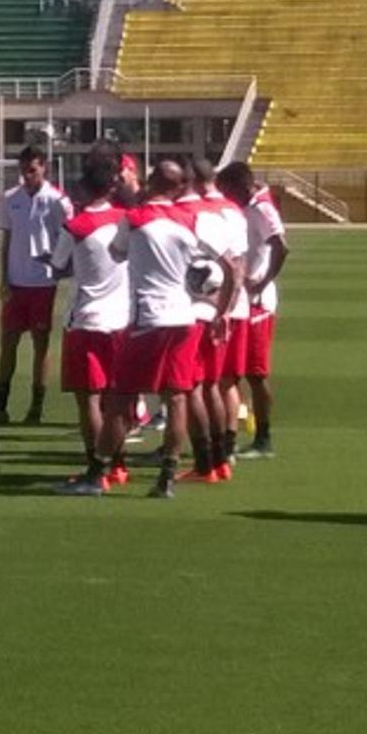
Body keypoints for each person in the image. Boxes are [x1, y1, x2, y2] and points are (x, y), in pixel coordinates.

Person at [113, 154, 209, 498]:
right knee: (177, 397)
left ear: (152, 181)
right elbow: (205, 269)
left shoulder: (135, 217)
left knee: (122, 397)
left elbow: (116, 253)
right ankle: (167, 477)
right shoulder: (189, 219)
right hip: (182, 316)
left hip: (148, 317)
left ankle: (101, 468)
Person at [47, 154, 135, 494]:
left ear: (85, 187)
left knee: (90, 402)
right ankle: (120, 464)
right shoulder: (127, 218)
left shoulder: (77, 226)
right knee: (117, 399)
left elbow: (58, 266)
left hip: (86, 319)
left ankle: (94, 469)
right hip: (123, 319)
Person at [0, 143, 69, 426]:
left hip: (43, 283)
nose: (28, 175)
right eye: (24, 170)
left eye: (33, 170)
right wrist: (4, 277)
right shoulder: (10, 197)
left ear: (44, 167)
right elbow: (7, 240)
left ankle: (36, 406)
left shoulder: (56, 200)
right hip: (16, 282)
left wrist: (59, 266)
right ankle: (0, 402)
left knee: (40, 346)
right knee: (8, 343)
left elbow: (68, 237)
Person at [188, 164, 254, 482]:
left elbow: (231, 265)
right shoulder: (234, 211)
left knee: (201, 384)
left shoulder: (199, 212)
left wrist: (221, 310)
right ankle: (227, 451)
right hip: (233, 306)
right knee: (225, 382)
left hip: (209, 308)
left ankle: (210, 457)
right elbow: (239, 263)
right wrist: (231, 308)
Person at [220, 160, 288, 458]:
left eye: (230, 190)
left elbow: (281, 245)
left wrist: (261, 283)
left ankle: (264, 438)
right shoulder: (249, 206)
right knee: (233, 371)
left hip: (258, 303)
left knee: (255, 373)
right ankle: (234, 430)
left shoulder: (261, 208)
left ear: (241, 187)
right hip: (244, 300)